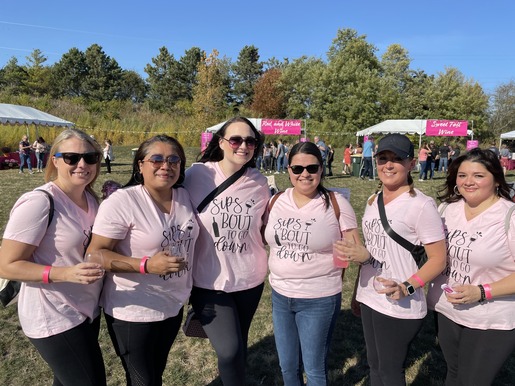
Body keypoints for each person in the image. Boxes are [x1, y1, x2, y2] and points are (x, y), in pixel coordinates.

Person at [86, 134, 198, 386]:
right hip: (133, 311)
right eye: (156, 159)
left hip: (172, 304)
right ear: (140, 165)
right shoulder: (123, 201)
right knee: (142, 381)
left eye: (173, 160)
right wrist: (146, 265)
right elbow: (95, 253)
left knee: (156, 373)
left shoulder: (183, 197)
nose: (165, 165)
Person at [0, 128, 106, 386]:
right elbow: (5, 265)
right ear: (55, 160)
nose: (82, 164)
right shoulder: (40, 202)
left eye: (90, 158)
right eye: (71, 157)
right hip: (53, 315)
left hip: (86, 310)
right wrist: (63, 273)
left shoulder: (91, 200)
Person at [339, 133, 447, 386]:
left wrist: (407, 286)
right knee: (375, 366)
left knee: (389, 371)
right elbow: (373, 253)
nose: (388, 165)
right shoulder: (372, 200)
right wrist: (358, 292)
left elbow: (438, 260)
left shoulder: (421, 205)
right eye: (382, 158)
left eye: (396, 159)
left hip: (400, 303)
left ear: (411, 164)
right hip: (370, 296)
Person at [265, 141, 361, 385]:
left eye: (311, 168)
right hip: (280, 295)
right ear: (288, 170)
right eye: (297, 169)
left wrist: (353, 253)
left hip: (319, 298)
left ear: (321, 169)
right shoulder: (275, 201)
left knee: (314, 369)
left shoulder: (336, 203)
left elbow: (354, 249)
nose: (304, 174)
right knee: (287, 367)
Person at [183, 116, 270, 386]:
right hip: (208, 282)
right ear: (221, 143)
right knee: (229, 349)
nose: (243, 145)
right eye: (235, 139)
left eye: (250, 141)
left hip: (250, 279)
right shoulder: (197, 175)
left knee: (239, 345)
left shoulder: (260, 182)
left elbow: (265, 225)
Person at [427, 148, 515, 386]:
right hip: (447, 311)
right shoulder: (446, 209)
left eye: (478, 175)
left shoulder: (509, 216)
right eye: (462, 175)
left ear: (496, 179)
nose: (468, 182)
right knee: (454, 375)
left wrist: (482, 291)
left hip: (491, 317)